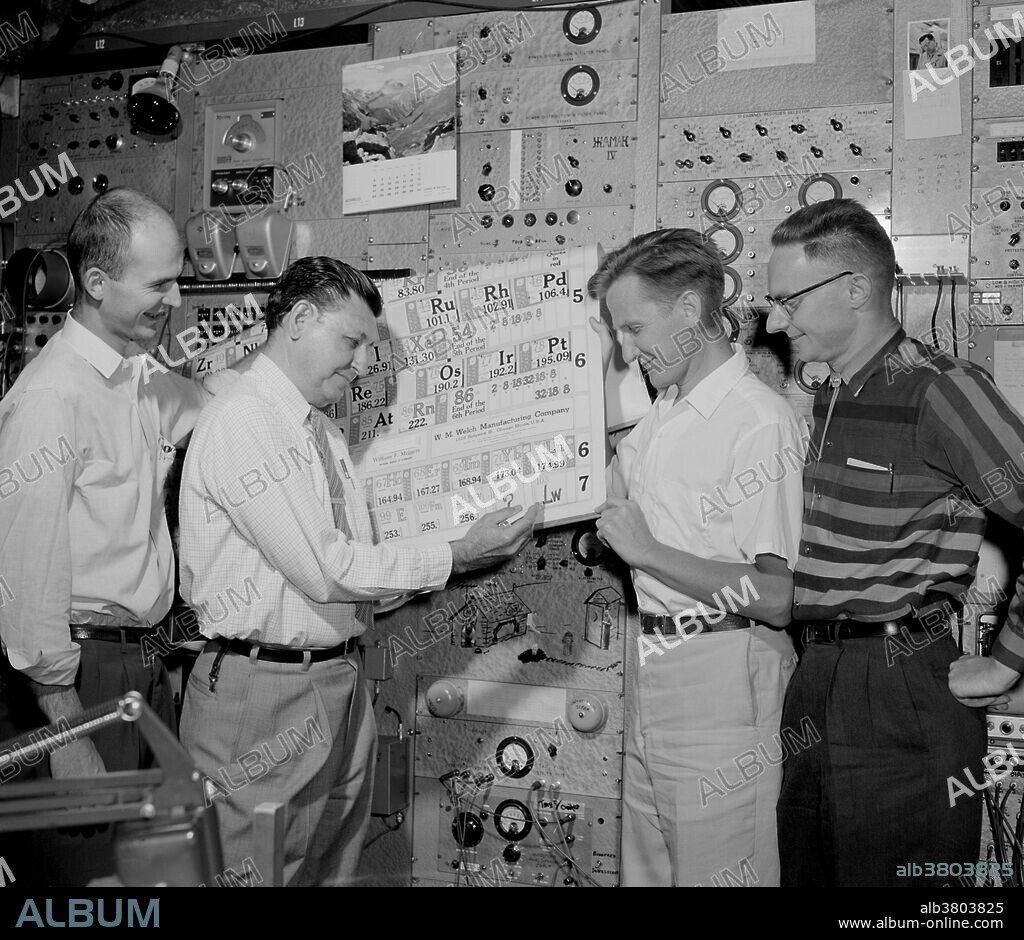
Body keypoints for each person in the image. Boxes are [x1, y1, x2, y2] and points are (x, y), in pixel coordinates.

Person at [177, 256, 539, 886]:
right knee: (252, 871)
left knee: (328, 868)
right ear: (299, 319)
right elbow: (328, 570)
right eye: (353, 342)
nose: (365, 365)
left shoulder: (320, 431)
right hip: (261, 689)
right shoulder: (245, 421)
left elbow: (350, 576)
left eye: (372, 348)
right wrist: (455, 554)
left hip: (335, 678)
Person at [765, 197, 1024, 887]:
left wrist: (1006, 662)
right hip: (817, 678)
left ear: (855, 289)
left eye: (787, 299)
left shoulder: (942, 389)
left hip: (900, 684)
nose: (773, 319)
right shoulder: (830, 396)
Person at [0, 187, 243, 882]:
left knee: (152, 874)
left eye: (179, 279)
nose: (175, 297)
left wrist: (296, 352)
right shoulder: (53, 399)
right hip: (72, 681)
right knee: (91, 880)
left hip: (137, 664)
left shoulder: (134, 377)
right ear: (100, 284)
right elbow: (24, 573)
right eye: (160, 282)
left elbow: (215, 406)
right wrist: (65, 732)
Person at [587, 229, 807, 887]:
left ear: (688, 310)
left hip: (723, 671)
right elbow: (601, 495)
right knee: (648, 873)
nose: (625, 353)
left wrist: (649, 553)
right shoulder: (664, 413)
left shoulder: (757, 420)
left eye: (632, 328)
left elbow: (777, 595)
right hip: (654, 666)